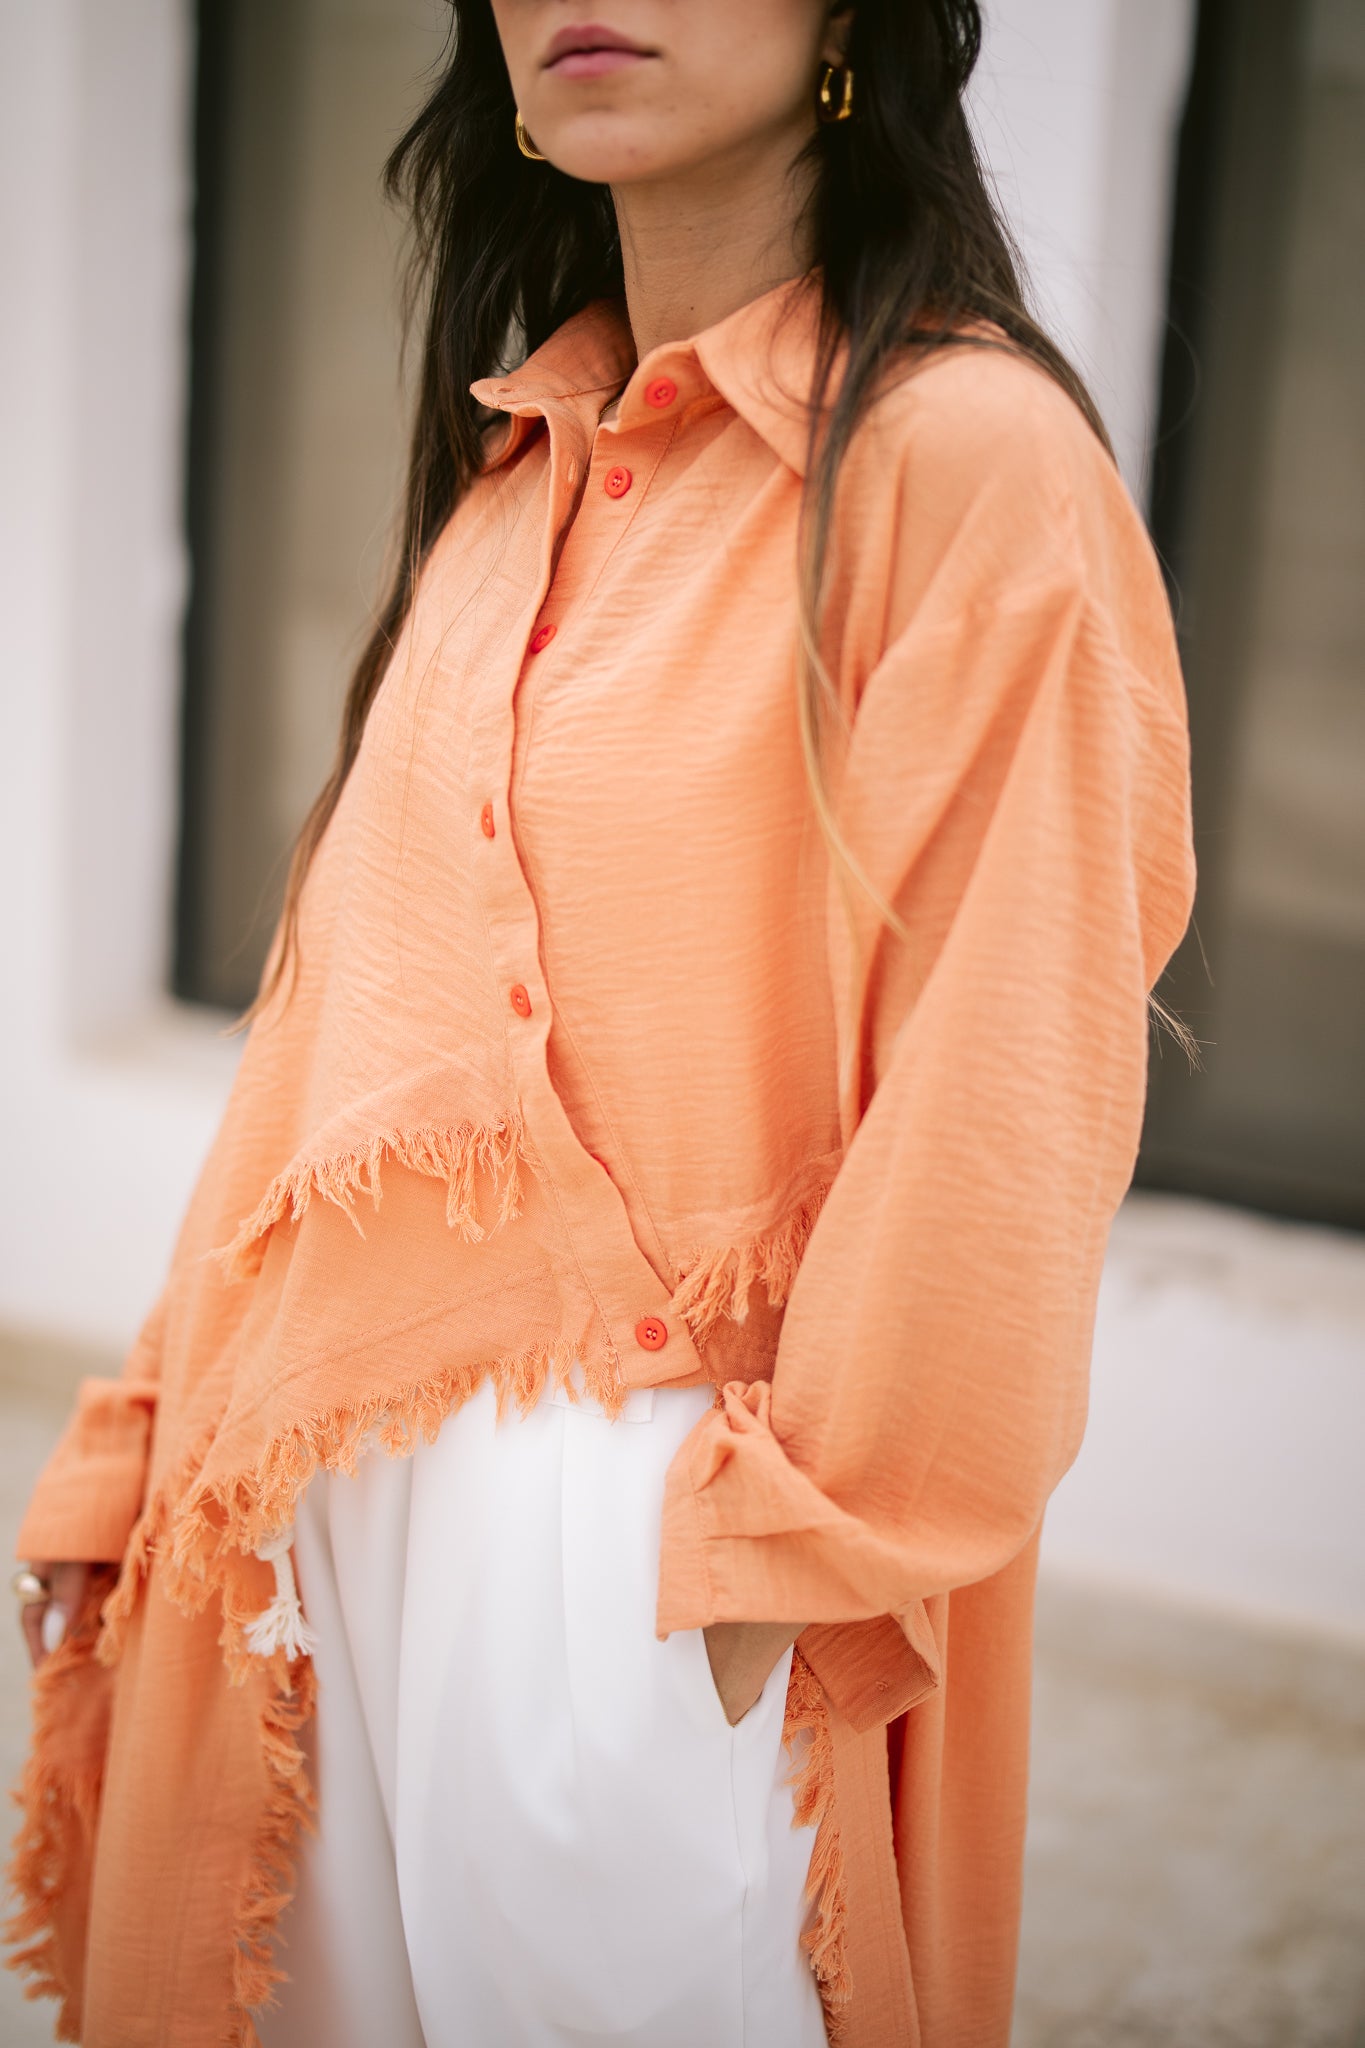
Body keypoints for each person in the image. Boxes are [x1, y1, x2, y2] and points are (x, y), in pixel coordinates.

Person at [7, 3, 1196, 2044]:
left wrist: (779, 1575)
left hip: (653, 1542)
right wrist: (140, 1438)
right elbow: (333, 1030)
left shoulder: (958, 464)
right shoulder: (512, 465)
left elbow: (1003, 1080)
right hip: (320, 1519)